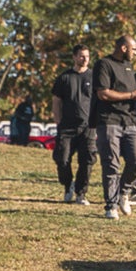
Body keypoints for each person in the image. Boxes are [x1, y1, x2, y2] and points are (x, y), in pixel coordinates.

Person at [91, 34, 136, 218]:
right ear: (124, 48)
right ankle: (111, 206)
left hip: (130, 121)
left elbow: (130, 93)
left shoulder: (129, 67)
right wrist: (132, 95)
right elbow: (103, 94)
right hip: (109, 121)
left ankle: (123, 193)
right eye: (134, 49)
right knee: (111, 164)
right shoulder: (104, 65)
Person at [50, 44, 95, 204]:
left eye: (87, 56)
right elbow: (56, 100)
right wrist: (58, 120)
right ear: (74, 57)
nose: (85, 59)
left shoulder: (94, 77)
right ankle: (68, 184)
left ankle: (81, 193)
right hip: (67, 126)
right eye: (82, 56)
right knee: (62, 159)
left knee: (87, 161)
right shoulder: (64, 77)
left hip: (88, 126)